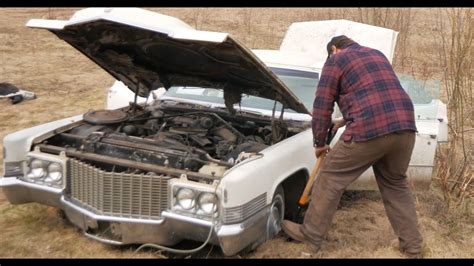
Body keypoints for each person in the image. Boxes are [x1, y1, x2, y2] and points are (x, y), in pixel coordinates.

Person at [281, 35, 423, 258]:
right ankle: (413, 247)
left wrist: (319, 143)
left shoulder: (336, 59)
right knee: (396, 184)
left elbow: (322, 104)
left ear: (334, 49)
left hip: (369, 131)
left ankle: (310, 235)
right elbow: (375, 95)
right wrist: (344, 120)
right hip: (405, 127)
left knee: (330, 178)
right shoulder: (377, 54)